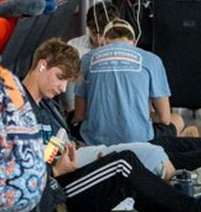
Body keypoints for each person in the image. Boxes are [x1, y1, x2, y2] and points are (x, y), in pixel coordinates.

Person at [19, 39, 201, 212]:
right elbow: (11, 170)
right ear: (42, 65)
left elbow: (59, 143)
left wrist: (86, 155)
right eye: (60, 78)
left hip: (66, 174)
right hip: (48, 191)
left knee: (130, 185)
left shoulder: (48, 106)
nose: (63, 88)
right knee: (123, 162)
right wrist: (56, 169)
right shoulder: (17, 110)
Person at [74, 19, 180, 147]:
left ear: (104, 41)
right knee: (177, 120)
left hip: (93, 141)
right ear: (134, 43)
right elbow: (165, 118)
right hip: (140, 141)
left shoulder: (86, 59)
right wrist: (142, 113)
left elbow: (79, 115)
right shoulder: (152, 60)